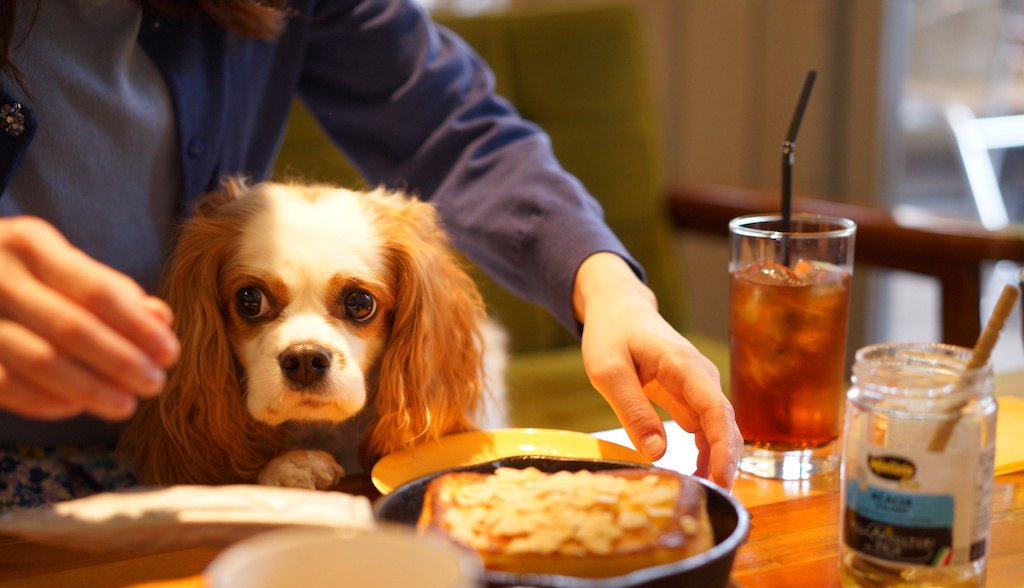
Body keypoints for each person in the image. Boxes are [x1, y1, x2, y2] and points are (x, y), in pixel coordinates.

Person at [0, 0, 740, 511]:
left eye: (358, 306)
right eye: (251, 303)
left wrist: (606, 286)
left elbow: (454, 125)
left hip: (191, 482)